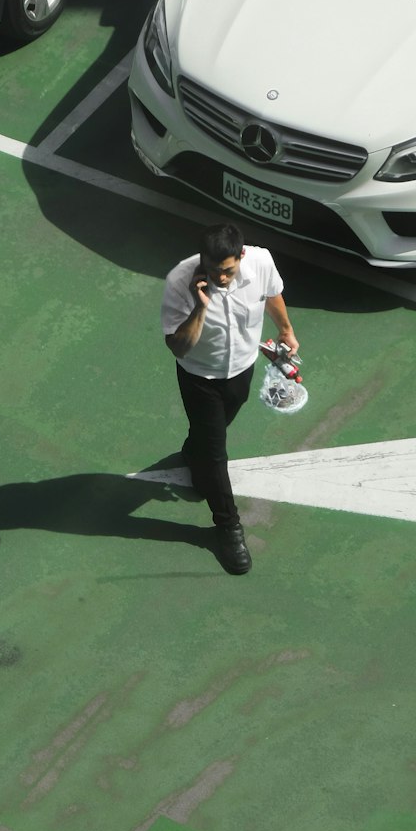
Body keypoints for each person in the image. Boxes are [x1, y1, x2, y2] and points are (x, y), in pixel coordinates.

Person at [162, 221, 299, 575]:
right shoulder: (180, 281)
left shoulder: (261, 262)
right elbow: (178, 346)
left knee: (211, 439)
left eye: (227, 271)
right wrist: (200, 306)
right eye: (212, 270)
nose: (220, 278)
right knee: (217, 453)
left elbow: (272, 293)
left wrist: (285, 329)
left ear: (241, 256)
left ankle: (194, 453)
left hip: (242, 369)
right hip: (199, 377)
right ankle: (227, 526)